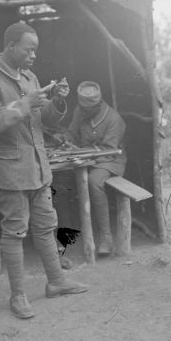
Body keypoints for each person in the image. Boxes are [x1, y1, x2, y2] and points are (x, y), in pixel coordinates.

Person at [0, 22, 88, 319]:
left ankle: (57, 282)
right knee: (14, 232)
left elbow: (43, 120)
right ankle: (18, 295)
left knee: (47, 226)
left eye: (36, 49)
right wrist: (24, 104)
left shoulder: (30, 76)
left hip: (38, 168)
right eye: (29, 49)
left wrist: (57, 100)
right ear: (10, 46)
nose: (34, 55)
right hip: (10, 172)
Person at [63, 81, 126, 256]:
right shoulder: (81, 110)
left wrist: (82, 153)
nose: (82, 112)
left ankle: (106, 237)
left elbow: (109, 151)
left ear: (98, 105)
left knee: (94, 180)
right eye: (81, 108)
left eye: (86, 110)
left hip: (110, 160)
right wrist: (65, 139)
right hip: (86, 158)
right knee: (61, 179)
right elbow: (72, 131)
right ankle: (66, 231)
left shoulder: (113, 119)